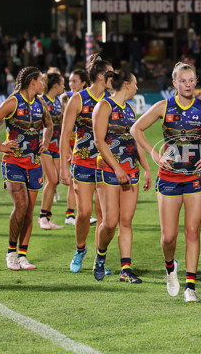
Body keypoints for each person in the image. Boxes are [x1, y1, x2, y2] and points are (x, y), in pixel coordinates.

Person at [131, 62, 201, 303]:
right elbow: (136, 129)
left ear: (196, 81)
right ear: (174, 83)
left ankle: (190, 286)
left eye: (192, 80)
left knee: (192, 232)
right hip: (169, 178)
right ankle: (170, 268)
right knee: (169, 237)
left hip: (195, 177)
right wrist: (154, 154)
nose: (188, 84)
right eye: (183, 81)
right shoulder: (163, 107)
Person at [0, 67, 53, 270]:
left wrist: (45, 140)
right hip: (13, 162)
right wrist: (0, 146)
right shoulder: (13, 102)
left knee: (29, 211)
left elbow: (49, 124)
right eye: (41, 80)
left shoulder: (40, 103)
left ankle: (23, 255)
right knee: (20, 207)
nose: (43, 84)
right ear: (32, 82)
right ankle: (11, 253)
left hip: (34, 164)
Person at [92, 70, 152, 283]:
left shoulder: (130, 109)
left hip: (131, 171)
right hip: (108, 170)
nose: (137, 87)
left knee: (126, 221)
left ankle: (125, 270)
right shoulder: (104, 106)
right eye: (135, 83)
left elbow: (134, 141)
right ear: (126, 84)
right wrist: (117, 168)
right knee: (110, 222)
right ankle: (100, 256)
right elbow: (99, 141)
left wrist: (146, 168)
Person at [60, 54, 113, 274]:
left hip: (105, 164)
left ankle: (100, 260)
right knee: (83, 212)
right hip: (82, 161)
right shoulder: (78, 99)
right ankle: (80, 250)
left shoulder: (112, 99)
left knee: (104, 216)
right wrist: (63, 167)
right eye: (112, 74)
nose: (115, 77)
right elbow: (65, 136)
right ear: (101, 76)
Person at [60, 69, 89, 226]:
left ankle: (81, 212)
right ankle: (71, 214)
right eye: (70, 81)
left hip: (81, 143)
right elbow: (63, 127)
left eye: (74, 81)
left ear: (83, 82)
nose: (71, 84)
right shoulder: (66, 98)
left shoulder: (86, 98)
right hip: (70, 144)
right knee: (73, 181)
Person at [37, 73, 65, 230]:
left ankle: (47, 218)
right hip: (45, 146)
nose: (64, 87)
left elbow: (60, 125)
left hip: (56, 145)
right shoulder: (42, 101)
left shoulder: (57, 102)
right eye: (62, 84)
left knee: (56, 180)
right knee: (52, 180)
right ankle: (42, 217)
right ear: (55, 85)